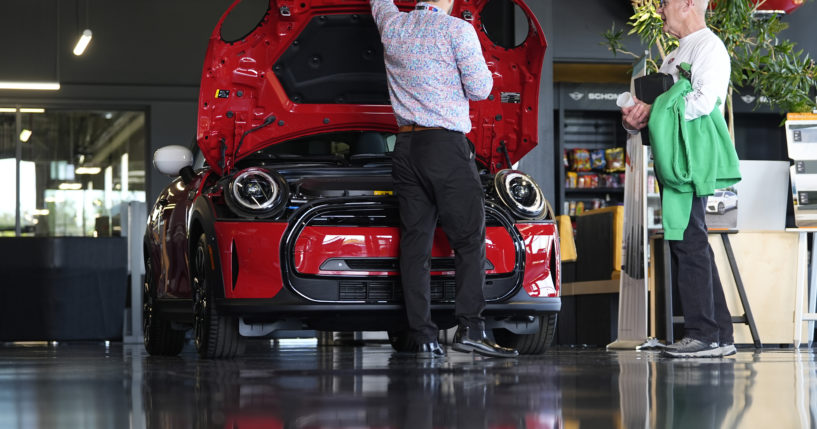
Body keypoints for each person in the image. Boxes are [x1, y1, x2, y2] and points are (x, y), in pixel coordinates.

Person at [369, 0, 518, 358]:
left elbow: (379, 3)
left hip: (405, 147)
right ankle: (471, 329)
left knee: (415, 244)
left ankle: (422, 335)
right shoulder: (457, 31)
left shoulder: (393, 26)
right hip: (445, 146)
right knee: (468, 239)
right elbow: (481, 89)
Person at [621, 0, 739, 358]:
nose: (660, 10)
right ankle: (719, 335)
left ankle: (703, 333)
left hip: (691, 157)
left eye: (665, 2)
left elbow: (704, 102)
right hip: (673, 158)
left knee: (689, 239)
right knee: (690, 239)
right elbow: (666, 105)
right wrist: (636, 117)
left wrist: (656, 107)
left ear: (688, 3)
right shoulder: (675, 54)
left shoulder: (709, 47)